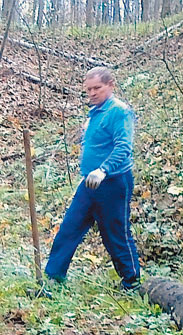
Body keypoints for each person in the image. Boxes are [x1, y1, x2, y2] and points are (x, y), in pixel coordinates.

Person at [44, 66, 141, 293]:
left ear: (110, 85)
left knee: (115, 233)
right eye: (88, 89)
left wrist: (104, 169)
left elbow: (123, 147)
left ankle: (132, 282)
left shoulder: (119, 111)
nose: (92, 93)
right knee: (69, 227)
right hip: (89, 183)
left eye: (97, 88)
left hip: (113, 182)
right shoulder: (95, 112)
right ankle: (53, 279)